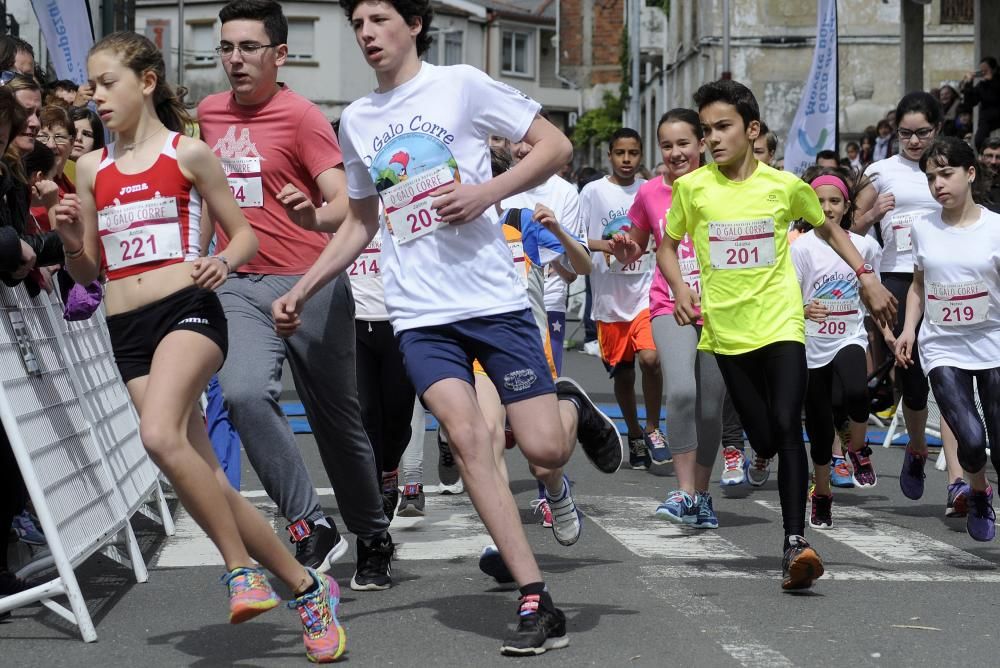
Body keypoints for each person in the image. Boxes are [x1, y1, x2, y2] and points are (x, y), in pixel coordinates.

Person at [276, 0, 624, 654]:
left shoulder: (460, 86)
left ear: (413, 24)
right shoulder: (358, 120)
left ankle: (567, 409)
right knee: (467, 443)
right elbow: (359, 221)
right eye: (357, 24)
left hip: (493, 301)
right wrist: (302, 286)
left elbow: (556, 146)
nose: (367, 34)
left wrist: (485, 194)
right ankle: (534, 598)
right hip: (421, 314)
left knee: (544, 449)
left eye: (379, 18)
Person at [49, 31, 345, 663]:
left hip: (189, 313)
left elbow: (242, 238)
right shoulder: (92, 168)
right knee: (205, 473)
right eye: (92, 86)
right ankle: (306, 586)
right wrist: (73, 240)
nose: (95, 97)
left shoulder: (191, 155)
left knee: (160, 437)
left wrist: (220, 264)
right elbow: (88, 274)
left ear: (146, 82)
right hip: (127, 332)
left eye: (108, 83)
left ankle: (241, 572)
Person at [658, 79, 896, 591]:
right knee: (762, 436)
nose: (712, 140)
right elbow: (667, 247)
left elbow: (830, 229)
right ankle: (759, 454)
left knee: (789, 425)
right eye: (705, 131)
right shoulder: (692, 189)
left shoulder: (785, 187)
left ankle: (795, 544)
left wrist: (866, 276)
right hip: (724, 334)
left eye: (723, 127)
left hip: (784, 324)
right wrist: (679, 290)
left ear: (753, 129)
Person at [197, 0, 392, 588]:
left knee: (337, 420)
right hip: (239, 284)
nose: (235, 59)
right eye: (226, 47)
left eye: (248, 47)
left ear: (279, 54)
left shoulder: (303, 117)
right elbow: (210, 198)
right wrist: (201, 255)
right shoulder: (208, 114)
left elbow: (345, 207)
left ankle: (373, 533)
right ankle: (309, 522)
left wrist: (312, 213)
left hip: (313, 285)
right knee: (243, 394)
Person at [854, 92, 970, 516]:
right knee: (914, 380)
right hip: (899, 281)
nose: (915, 141)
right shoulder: (880, 171)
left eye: (923, 133)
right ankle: (918, 447)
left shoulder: (947, 167)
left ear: (937, 129)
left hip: (946, 279)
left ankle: (956, 480)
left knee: (948, 377)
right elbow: (848, 228)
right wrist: (871, 215)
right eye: (906, 133)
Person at [611, 108, 725, 525]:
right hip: (668, 305)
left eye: (683, 144)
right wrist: (625, 247)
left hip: (720, 310)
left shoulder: (724, 187)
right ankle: (682, 491)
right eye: (667, 145)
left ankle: (702, 494)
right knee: (681, 393)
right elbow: (639, 244)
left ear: (701, 144)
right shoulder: (649, 193)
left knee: (710, 409)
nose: (676, 153)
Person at [896, 136, 1000, 541]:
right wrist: (909, 328)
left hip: (992, 341)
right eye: (930, 177)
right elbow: (919, 285)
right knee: (971, 441)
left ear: (970, 173)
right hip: (942, 345)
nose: (938, 184)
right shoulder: (923, 228)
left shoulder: (995, 227)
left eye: (946, 173)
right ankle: (977, 492)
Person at [792, 168, 881, 529]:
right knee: (818, 426)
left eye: (834, 201)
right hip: (812, 345)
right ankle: (823, 491)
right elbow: (786, 301)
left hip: (849, 337)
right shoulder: (800, 248)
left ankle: (858, 448)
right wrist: (803, 308)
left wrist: (887, 331)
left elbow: (872, 296)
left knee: (858, 393)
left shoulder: (865, 247)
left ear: (847, 207)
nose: (826, 208)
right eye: (819, 201)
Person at [582, 128, 668, 468]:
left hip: (646, 294)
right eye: (620, 153)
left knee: (651, 359)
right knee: (624, 374)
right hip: (609, 298)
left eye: (633, 153)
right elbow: (577, 238)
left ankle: (652, 428)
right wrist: (608, 246)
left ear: (642, 155)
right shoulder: (593, 192)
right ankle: (634, 434)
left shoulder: (651, 190)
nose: (627, 159)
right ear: (610, 155)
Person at [960, 57, 1000, 151]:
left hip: (997, 116)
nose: (983, 72)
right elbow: (970, 102)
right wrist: (968, 84)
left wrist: (991, 81)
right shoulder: (982, 85)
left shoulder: (997, 82)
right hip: (987, 120)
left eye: (986, 69)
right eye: (981, 70)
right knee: (979, 141)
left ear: (993, 69)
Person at [981, 136, 1000, 213]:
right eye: (989, 156)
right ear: (981, 157)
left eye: (998, 157)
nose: (993, 162)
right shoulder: (971, 181)